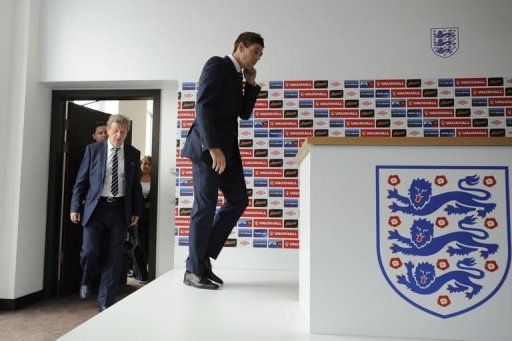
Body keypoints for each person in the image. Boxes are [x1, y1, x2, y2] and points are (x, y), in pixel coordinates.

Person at [181, 32, 264, 289]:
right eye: (255, 52)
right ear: (240, 47)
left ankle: (201, 257)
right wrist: (213, 146)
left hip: (227, 152)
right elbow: (203, 105)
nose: (257, 59)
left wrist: (250, 86)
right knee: (205, 206)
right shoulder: (217, 64)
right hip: (208, 150)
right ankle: (193, 270)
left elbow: (244, 114)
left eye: (260, 55)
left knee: (239, 199)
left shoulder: (239, 76)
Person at [70, 114, 143, 311]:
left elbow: (135, 185)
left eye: (123, 132)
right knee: (90, 250)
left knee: (114, 257)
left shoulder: (133, 154)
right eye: (115, 131)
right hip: (95, 209)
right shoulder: (93, 150)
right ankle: (85, 279)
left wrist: (136, 209)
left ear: (126, 133)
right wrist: (75, 207)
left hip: (119, 210)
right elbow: (81, 181)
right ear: (108, 131)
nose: (119, 135)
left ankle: (105, 304)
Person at [132, 155, 151, 284]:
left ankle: (136, 271)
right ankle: (142, 275)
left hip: (150, 217)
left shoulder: (155, 178)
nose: (146, 166)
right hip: (137, 216)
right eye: (144, 163)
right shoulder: (135, 178)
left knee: (148, 245)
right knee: (139, 245)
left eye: (149, 164)